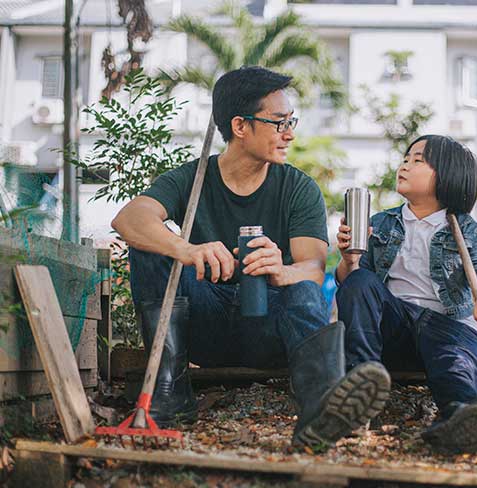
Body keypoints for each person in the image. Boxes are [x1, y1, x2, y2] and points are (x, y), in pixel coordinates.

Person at [111, 66, 390, 449]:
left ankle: (321, 406)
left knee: (302, 288)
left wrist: (281, 270)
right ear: (240, 126)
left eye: (292, 121)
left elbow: (313, 269)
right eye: (278, 123)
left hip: (270, 331)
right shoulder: (194, 179)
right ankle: (169, 393)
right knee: (151, 246)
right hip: (204, 324)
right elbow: (129, 218)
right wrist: (187, 249)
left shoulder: (297, 187)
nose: (289, 133)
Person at [335, 135, 477, 455]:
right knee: (359, 280)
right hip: (395, 326)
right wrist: (349, 259)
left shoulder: (468, 229)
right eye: (405, 158)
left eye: (418, 161)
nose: (405, 164)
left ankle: (458, 417)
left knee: (454, 363)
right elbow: (353, 286)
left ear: (447, 174)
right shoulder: (380, 223)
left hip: (449, 328)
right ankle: (359, 389)